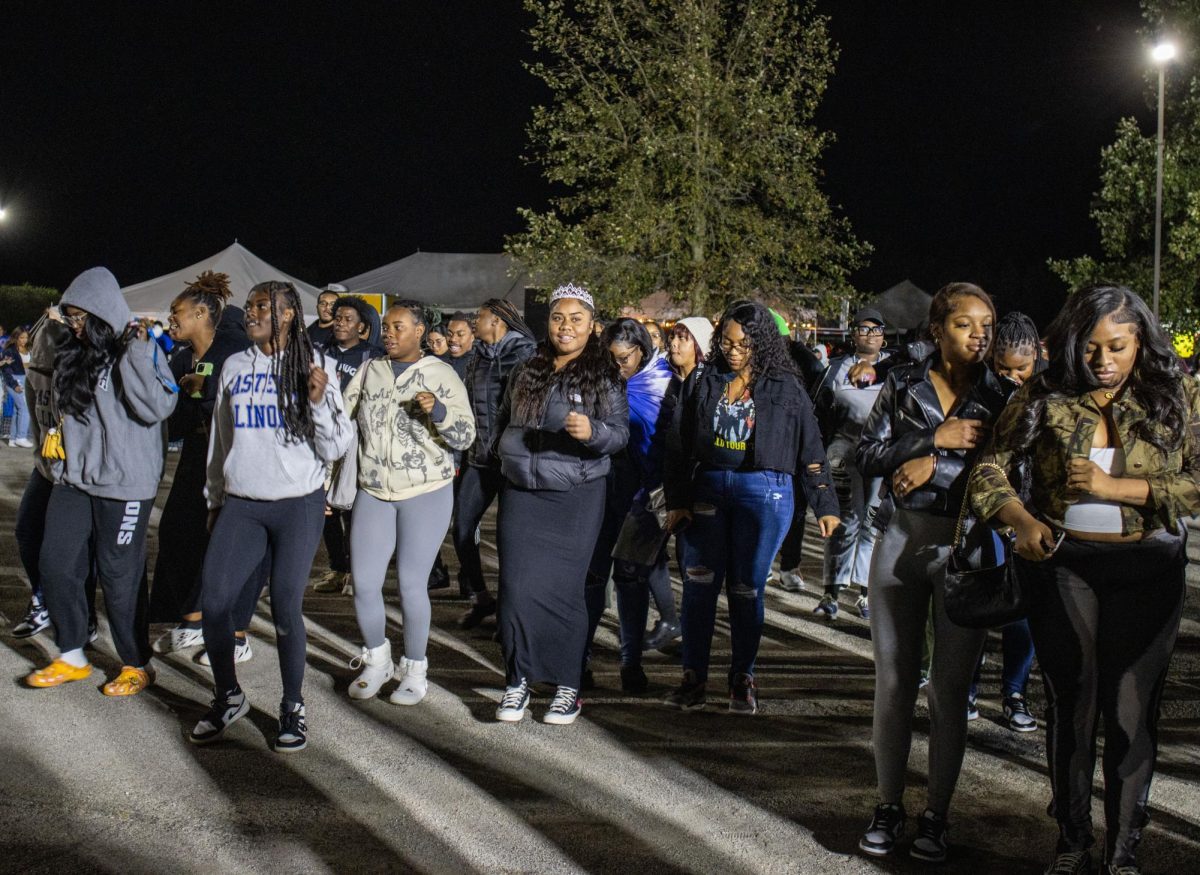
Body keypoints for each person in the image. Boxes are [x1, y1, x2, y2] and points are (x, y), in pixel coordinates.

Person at [969, 286, 1197, 875]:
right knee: (1072, 702)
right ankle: (1072, 843)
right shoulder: (1047, 393)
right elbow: (989, 467)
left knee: (1130, 709)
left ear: (1140, 341)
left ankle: (1123, 851)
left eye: (1117, 346)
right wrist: (1017, 519)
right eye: (1091, 347)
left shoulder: (1176, 393)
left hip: (1149, 567)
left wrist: (1118, 490)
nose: (1102, 359)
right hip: (1066, 565)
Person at [854, 282, 1010, 864]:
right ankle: (888, 805)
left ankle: (937, 815)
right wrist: (927, 441)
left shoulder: (1004, 396)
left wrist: (940, 464)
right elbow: (865, 455)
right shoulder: (903, 383)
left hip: (966, 551)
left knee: (949, 691)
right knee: (893, 684)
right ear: (937, 330)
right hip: (900, 543)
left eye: (986, 326)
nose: (979, 335)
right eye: (966, 324)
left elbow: (1012, 477)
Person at [191, 281, 351, 752]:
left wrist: (319, 405)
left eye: (263, 307)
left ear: (288, 316)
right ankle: (228, 696)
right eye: (251, 306)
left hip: (296, 504)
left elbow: (338, 445)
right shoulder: (235, 366)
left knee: (285, 608)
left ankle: (291, 705)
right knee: (215, 604)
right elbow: (221, 438)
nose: (251, 313)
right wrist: (215, 498)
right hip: (241, 502)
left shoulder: (316, 366)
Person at [663, 301, 840, 715]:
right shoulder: (704, 380)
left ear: (762, 343)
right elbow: (676, 443)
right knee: (699, 584)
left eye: (743, 343)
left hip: (765, 492)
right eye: (726, 341)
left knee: (746, 588)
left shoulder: (786, 386)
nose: (733, 350)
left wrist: (824, 502)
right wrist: (677, 500)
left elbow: (810, 447)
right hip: (707, 488)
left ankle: (743, 678)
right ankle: (694, 677)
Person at [24, 267, 179, 696]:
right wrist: (56, 464)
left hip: (125, 484)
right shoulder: (70, 354)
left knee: (119, 574)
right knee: (55, 562)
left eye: (80, 317)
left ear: (102, 313)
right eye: (70, 317)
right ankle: (71, 654)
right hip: (75, 479)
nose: (74, 325)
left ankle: (135, 662)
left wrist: (134, 354)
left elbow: (157, 407)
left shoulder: (140, 349)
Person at [492, 283, 629, 725]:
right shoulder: (526, 368)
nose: (565, 327)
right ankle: (517, 683)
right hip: (522, 494)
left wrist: (593, 434)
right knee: (514, 591)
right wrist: (501, 452)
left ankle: (567, 686)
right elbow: (501, 419)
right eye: (557, 318)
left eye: (576, 319)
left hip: (574, 496)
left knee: (565, 593)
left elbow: (620, 434)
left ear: (593, 327)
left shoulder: (603, 376)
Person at [341, 301, 475, 703]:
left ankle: (414, 668)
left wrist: (441, 412)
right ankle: (377, 659)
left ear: (420, 331)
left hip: (426, 492)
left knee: (412, 585)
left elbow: (466, 436)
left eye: (398, 327)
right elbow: (340, 421)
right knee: (364, 583)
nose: (390, 334)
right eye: (386, 327)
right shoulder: (370, 370)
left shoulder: (441, 373)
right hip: (374, 490)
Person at [149, 272, 259, 661]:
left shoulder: (234, 351)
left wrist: (202, 394)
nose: (171, 318)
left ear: (200, 313)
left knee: (221, 541)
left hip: (232, 459)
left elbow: (234, 409)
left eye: (177, 311)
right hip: (196, 456)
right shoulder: (180, 357)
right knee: (176, 530)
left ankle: (217, 625)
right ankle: (179, 613)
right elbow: (176, 420)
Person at [582, 318, 675, 693]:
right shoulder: (598, 381)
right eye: (610, 359)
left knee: (631, 578)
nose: (617, 366)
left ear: (642, 350)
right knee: (592, 577)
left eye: (623, 358)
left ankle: (630, 664)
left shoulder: (661, 381)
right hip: (603, 486)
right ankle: (579, 662)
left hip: (646, 491)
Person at [966, 310, 1043, 731]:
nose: (1013, 376)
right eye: (1004, 368)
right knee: (981, 599)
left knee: (1022, 610)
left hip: (1033, 510)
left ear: (1037, 358)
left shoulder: (1049, 393)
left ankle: (1014, 691)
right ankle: (969, 685)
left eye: (1022, 369)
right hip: (989, 508)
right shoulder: (979, 390)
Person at [10, 313, 99, 641]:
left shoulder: (78, 371)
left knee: (78, 550)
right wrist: (41, 461)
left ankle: (86, 616)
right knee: (26, 531)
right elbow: (37, 423)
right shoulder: (35, 375)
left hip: (78, 473)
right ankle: (42, 599)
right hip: (47, 468)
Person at [455, 299, 537, 628]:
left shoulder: (525, 354)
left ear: (499, 321)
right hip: (478, 459)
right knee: (461, 529)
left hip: (511, 464)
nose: (476, 321)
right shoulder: (476, 356)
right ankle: (481, 598)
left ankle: (510, 614)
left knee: (509, 542)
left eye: (481, 316)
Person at [810, 308, 890, 620]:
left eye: (875, 329)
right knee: (841, 521)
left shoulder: (893, 369)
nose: (869, 335)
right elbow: (818, 409)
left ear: (883, 335)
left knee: (872, 522)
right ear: (852, 334)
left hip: (881, 454)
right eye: (863, 329)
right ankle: (831, 591)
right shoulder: (835, 368)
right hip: (843, 452)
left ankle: (866, 593)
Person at [641, 316, 715, 651]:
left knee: (692, 564)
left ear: (700, 346)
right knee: (652, 554)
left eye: (683, 338)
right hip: (661, 481)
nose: (674, 344)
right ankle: (673, 620)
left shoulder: (707, 386)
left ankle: (691, 634)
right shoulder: (669, 381)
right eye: (674, 337)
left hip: (697, 487)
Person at [313, 295, 384, 596]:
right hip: (323, 436)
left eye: (348, 319)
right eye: (338, 317)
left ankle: (358, 571)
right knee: (324, 506)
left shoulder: (374, 357)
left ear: (362, 328)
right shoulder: (320, 353)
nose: (340, 322)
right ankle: (337, 568)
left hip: (356, 439)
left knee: (354, 509)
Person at [3, 327, 33, 447]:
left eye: (26, 337)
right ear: (15, 337)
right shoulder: (9, 351)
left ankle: (13, 438)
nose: (24, 340)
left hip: (26, 380)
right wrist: (14, 385)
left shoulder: (28, 349)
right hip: (15, 379)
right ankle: (21, 437)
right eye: (21, 338)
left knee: (17, 409)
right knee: (25, 408)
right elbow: (5, 369)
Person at [306, 284, 346, 351]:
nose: (327, 308)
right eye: (323, 304)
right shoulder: (307, 332)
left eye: (332, 304)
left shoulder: (343, 334)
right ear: (317, 307)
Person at [444, 312, 476, 381]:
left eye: (460, 334)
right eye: (449, 334)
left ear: (472, 337)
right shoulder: (441, 360)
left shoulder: (478, 365)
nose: (453, 339)